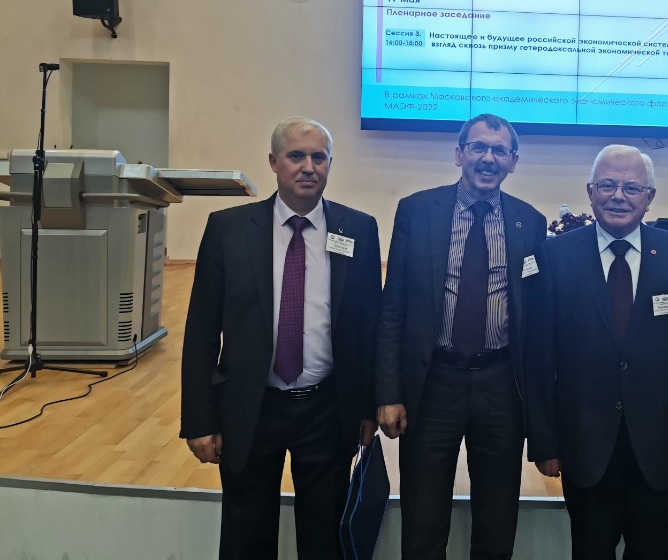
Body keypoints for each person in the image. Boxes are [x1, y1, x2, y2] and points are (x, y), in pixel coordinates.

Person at [180, 116, 382, 559]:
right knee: (246, 534)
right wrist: (198, 420)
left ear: (330, 164)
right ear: (273, 162)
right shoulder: (228, 229)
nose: (308, 167)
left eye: (319, 157)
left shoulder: (359, 230)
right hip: (250, 407)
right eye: (296, 156)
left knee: (324, 536)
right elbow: (201, 330)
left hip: (327, 407)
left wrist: (368, 406)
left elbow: (370, 327)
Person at [525, 144, 668, 559]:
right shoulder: (554, 257)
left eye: (631, 188)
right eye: (607, 185)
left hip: (659, 447)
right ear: (590, 192)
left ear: (649, 197)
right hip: (583, 445)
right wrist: (544, 443)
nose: (618, 196)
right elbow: (538, 359)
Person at [375, 113, 547, 560]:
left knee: (497, 516)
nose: (488, 158)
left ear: (513, 162)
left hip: (500, 385)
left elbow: (535, 319)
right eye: (478, 147)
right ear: (459, 154)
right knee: (423, 514)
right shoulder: (417, 211)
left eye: (500, 151)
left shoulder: (530, 222)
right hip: (434, 381)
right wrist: (389, 392)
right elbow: (393, 307)